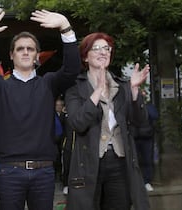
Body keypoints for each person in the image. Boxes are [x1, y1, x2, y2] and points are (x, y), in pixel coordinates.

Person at [0, 7, 81, 210]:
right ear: (12, 55)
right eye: (20, 48)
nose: (25, 52)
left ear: (37, 55)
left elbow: (72, 70)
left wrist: (65, 28)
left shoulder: (49, 83)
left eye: (30, 48)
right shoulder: (0, 86)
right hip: (10, 172)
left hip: (44, 172)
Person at [64, 32, 150, 210]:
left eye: (106, 48)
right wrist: (97, 92)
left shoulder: (122, 86)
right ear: (85, 57)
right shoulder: (75, 88)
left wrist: (134, 91)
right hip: (88, 161)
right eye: (96, 48)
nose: (103, 52)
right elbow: (78, 123)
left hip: (119, 160)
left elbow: (140, 121)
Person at [133, 89, 159, 192]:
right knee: (135, 161)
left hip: (147, 138)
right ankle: (137, 182)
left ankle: (147, 182)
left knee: (147, 160)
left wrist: (144, 106)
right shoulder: (132, 106)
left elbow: (155, 116)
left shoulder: (149, 106)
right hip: (135, 137)